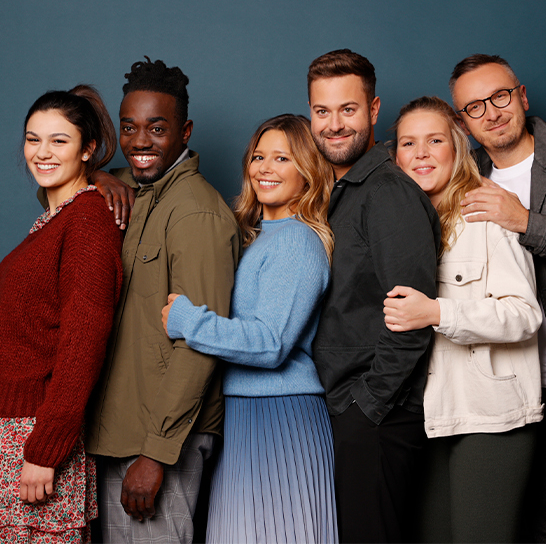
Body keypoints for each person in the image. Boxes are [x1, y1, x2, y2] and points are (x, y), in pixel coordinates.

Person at [84, 58, 241, 544]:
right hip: (117, 432)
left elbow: (200, 342)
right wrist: (96, 175)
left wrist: (155, 452)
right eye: (129, 127)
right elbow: (59, 181)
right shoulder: (131, 191)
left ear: (184, 131)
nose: (140, 141)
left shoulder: (196, 212)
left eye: (156, 128)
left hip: (158, 442)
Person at [161, 114, 338, 543]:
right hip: (244, 415)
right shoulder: (257, 237)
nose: (265, 168)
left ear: (308, 171)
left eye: (282, 158)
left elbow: (270, 343)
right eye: (259, 157)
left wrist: (187, 321)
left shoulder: (297, 241)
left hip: (280, 418)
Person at [451, 54, 546, 543]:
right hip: (521, 394)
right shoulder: (464, 179)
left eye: (500, 96)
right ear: (463, 124)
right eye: (475, 106)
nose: (492, 113)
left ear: (522, 96)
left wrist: (526, 222)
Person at [383, 95, 543, 543]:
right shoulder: (400, 227)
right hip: (428, 416)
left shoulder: (487, 214)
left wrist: (438, 312)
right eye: (408, 143)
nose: (421, 153)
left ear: (456, 147)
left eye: (434, 140)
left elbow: (524, 314)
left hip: (490, 416)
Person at [307, 49, 440, 543]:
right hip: (344, 410)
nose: (334, 125)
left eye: (348, 109)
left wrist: (367, 407)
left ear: (374, 109)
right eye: (322, 111)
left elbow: (412, 313)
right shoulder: (340, 190)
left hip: (376, 417)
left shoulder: (387, 192)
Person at [0, 85, 123, 542]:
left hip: (35, 437)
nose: (42, 152)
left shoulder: (87, 221)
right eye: (33, 139)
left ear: (87, 149)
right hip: (16, 430)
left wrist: (46, 450)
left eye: (59, 140)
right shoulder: (53, 221)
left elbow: (83, 341)